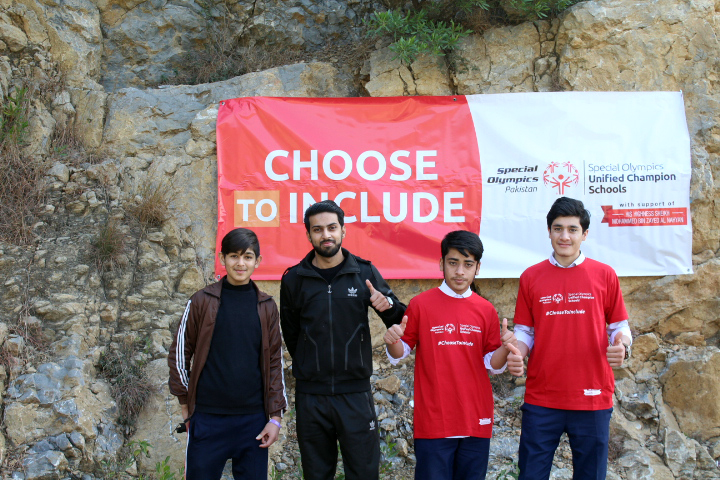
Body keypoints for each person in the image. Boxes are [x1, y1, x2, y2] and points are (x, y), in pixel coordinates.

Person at [280, 200, 407, 480]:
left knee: (363, 473)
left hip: (355, 395)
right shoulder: (293, 280)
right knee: (316, 474)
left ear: (343, 231)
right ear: (308, 235)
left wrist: (386, 305)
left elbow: (399, 320)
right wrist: (309, 365)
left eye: (332, 228)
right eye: (318, 229)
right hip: (311, 396)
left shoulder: (364, 272)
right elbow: (291, 333)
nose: (326, 235)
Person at [508, 196, 632, 480]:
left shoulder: (605, 275)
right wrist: (518, 352)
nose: (564, 236)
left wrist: (623, 345)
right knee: (530, 474)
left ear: (584, 234)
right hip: (543, 397)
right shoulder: (530, 277)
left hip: (592, 397)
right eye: (558, 228)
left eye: (572, 229)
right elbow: (526, 332)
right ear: (549, 232)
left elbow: (619, 327)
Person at [384, 230, 524, 480]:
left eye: (468, 264)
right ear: (441, 264)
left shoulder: (486, 310)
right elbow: (400, 352)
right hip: (434, 421)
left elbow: (491, 364)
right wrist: (393, 339)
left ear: (477, 268)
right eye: (453, 263)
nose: (460, 271)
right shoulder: (421, 304)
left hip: (475, 419)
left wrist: (505, 347)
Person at [168, 228, 287, 480]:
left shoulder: (266, 306)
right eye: (234, 256)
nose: (240, 263)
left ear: (258, 261)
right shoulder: (202, 301)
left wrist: (274, 418)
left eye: (247, 257)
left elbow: (275, 362)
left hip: (254, 421)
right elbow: (180, 352)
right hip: (208, 419)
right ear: (222, 258)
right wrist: (185, 405)